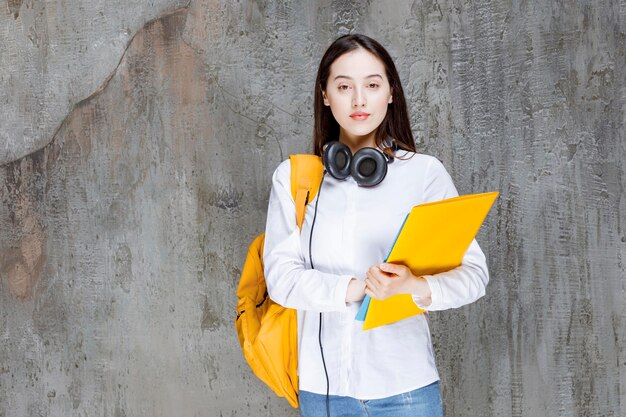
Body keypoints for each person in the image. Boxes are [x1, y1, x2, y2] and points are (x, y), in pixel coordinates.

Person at [262, 34, 489, 417]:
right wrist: (354, 289)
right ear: (325, 95)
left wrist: (414, 287)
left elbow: (474, 275)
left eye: (371, 85)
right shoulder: (295, 179)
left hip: (407, 391)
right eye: (344, 86)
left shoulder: (424, 174)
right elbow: (281, 279)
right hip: (324, 393)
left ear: (390, 93)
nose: (358, 100)